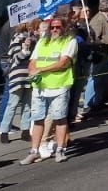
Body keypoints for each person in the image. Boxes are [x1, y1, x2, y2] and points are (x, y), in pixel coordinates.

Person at [20, 18, 78, 165]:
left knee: (59, 118)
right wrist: (32, 70)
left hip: (59, 86)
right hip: (40, 87)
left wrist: (40, 69)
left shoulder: (70, 41)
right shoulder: (42, 41)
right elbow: (33, 60)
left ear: (64, 28)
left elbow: (63, 63)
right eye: (52, 27)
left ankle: (60, 150)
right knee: (38, 119)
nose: (54, 29)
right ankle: (34, 151)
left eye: (58, 27)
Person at [0, 19, 37, 143]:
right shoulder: (17, 38)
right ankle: (4, 131)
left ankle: (25, 130)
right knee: (12, 104)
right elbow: (15, 58)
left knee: (28, 105)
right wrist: (25, 50)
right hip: (18, 74)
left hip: (30, 74)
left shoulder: (35, 38)